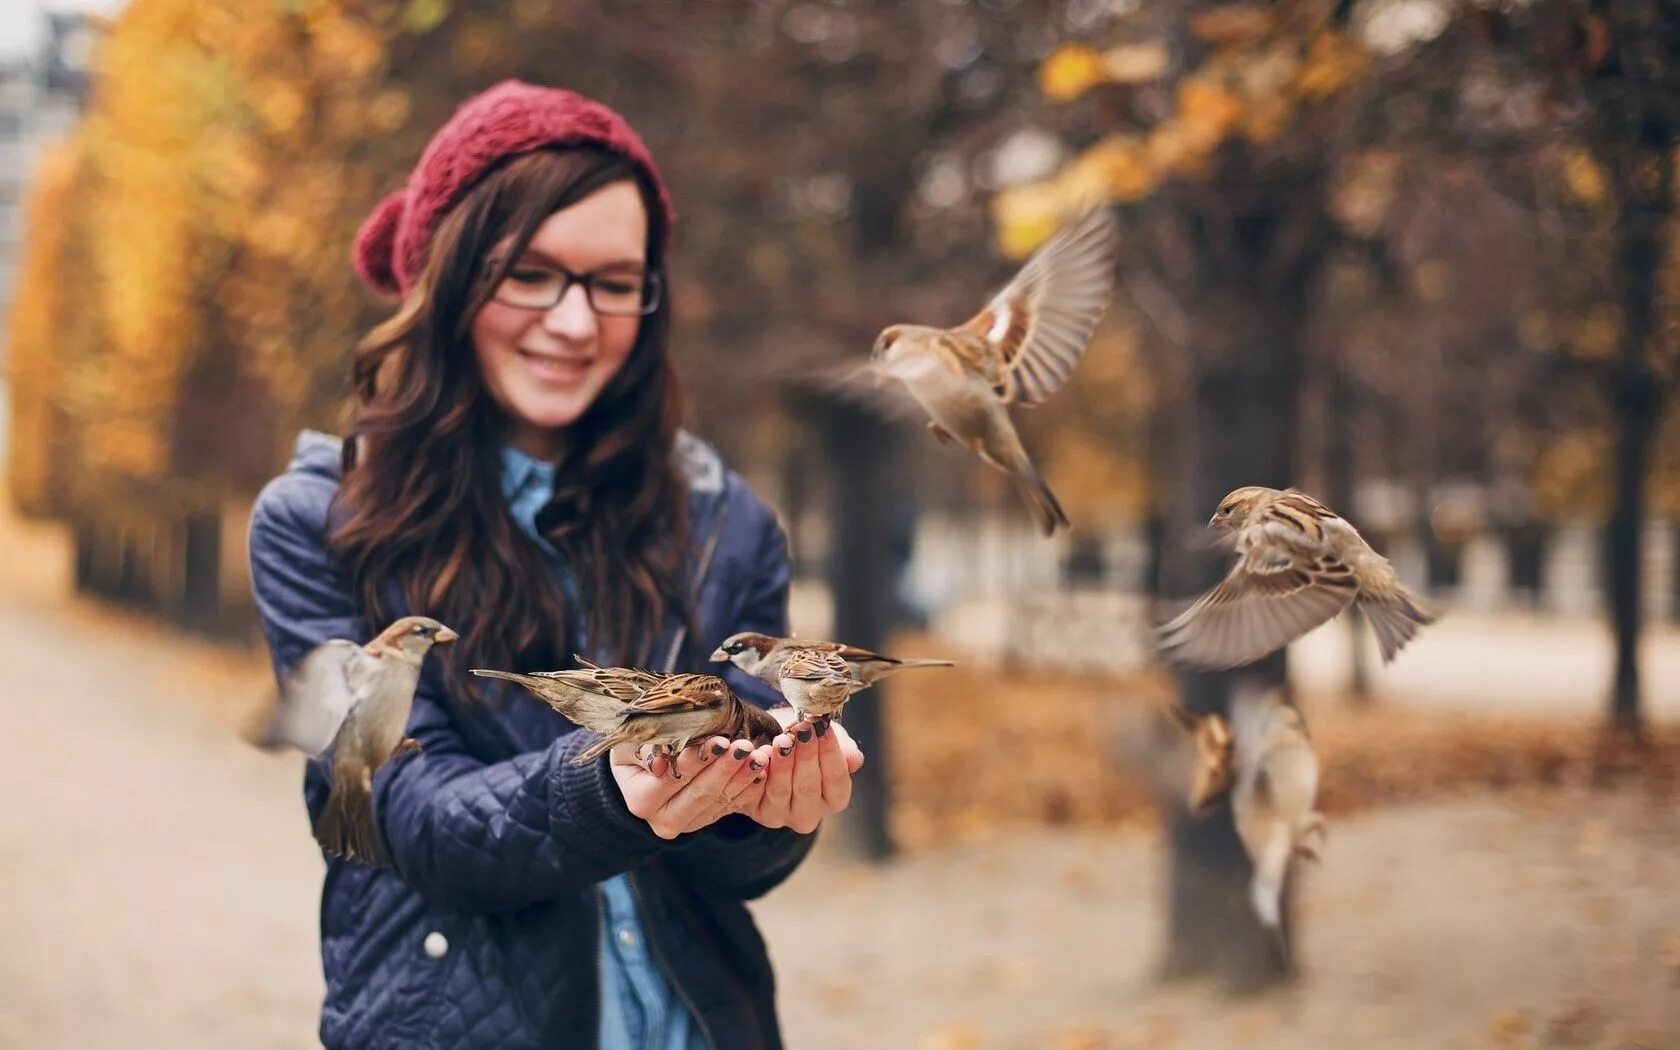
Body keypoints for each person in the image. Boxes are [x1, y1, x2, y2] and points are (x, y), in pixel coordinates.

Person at [248, 80, 861, 1050]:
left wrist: (765, 806)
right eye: (529, 274)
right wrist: (610, 781)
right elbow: (421, 818)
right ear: (449, 279)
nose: (576, 323)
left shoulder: (724, 524)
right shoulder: (317, 526)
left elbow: (732, 872)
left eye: (614, 282)